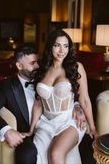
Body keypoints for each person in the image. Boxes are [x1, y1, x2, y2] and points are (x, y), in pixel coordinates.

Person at [0, 45, 87, 164]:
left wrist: (77, 106)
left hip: (60, 125)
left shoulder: (47, 76)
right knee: (27, 154)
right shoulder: (6, 87)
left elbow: (67, 94)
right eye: (32, 63)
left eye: (38, 62)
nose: (37, 66)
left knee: (88, 146)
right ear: (19, 66)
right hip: (28, 133)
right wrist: (6, 131)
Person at [28, 29, 97, 164]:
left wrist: (93, 128)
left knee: (55, 153)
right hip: (46, 123)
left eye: (66, 46)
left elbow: (84, 99)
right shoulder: (42, 68)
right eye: (57, 45)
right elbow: (38, 103)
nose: (62, 50)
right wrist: (31, 130)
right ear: (50, 46)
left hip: (69, 121)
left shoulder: (76, 67)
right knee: (39, 156)